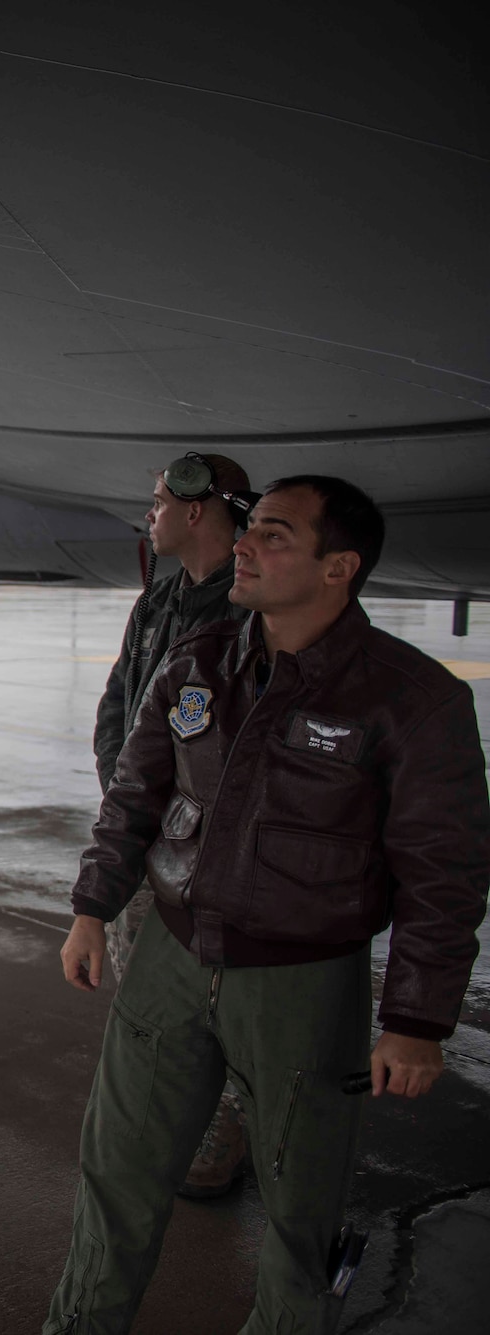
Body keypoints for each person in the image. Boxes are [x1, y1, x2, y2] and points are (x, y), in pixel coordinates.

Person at [43, 476, 490, 1334]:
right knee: (118, 1179)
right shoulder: (199, 660)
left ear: (339, 567)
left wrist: (416, 1020)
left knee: (300, 1212)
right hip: (169, 958)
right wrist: (92, 908)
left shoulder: (412, 699)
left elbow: (445, 871)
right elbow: (135, 796)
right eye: (251, 532)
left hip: (302, 981)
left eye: (275, 535)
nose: (244, 546)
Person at [93, 452, 256, 1197]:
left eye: (156, 502)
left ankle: (227, 1131)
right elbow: (116, 706)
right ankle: (175, 1119)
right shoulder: (158, 600)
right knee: (147, 992)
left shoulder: (249, 608)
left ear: (195, 512)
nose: (148, 514)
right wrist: (124, 798)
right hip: (146, 835)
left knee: (216, 992)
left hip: (214, 851)